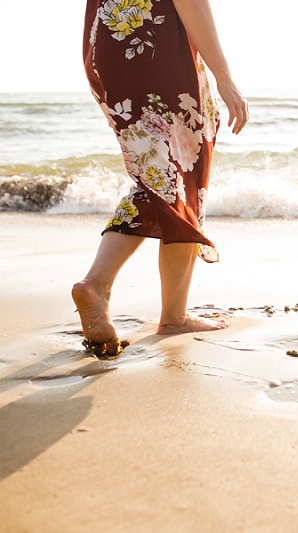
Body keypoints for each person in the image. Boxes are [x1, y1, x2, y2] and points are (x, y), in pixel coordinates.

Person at [73, 0, 249, 359]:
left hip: (106, 43)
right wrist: (224, 77)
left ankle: (169, 312)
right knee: (178, 177)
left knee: (161, 177)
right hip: (156, 45)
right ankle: (105, 286)